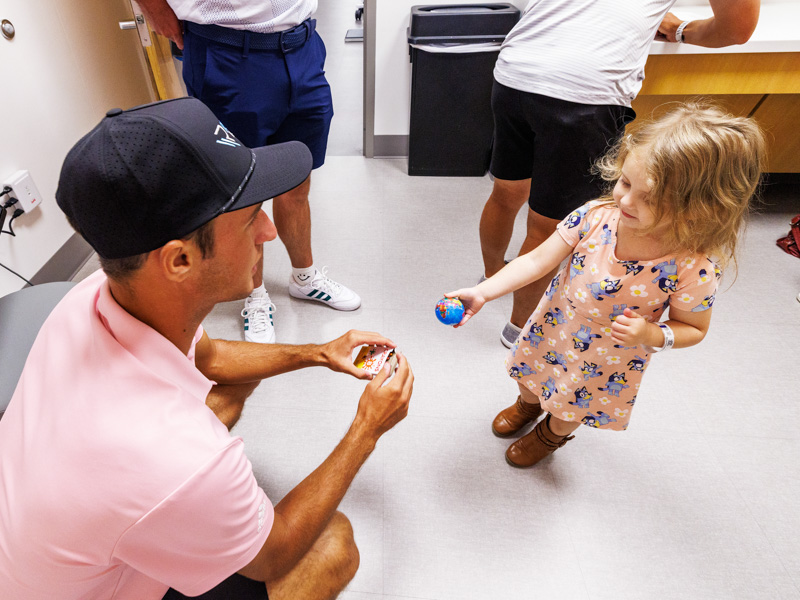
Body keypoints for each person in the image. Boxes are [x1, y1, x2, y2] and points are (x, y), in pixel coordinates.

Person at [0, 97, 414, 599]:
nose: (269, 232)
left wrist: (320, 352)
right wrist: (365, 429)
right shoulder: (177, 457)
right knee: (335, 544)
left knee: (231, 389)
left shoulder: (92, 295)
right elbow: (275, 554)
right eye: (250, 219)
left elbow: (212, 359)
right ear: (178, 261)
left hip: (47, 531)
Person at [450, 103, 765, 467]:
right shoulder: (595, 217)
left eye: (650, 199)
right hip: (554, 328)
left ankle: (551, 435)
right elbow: (536, 260)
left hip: (606, 357)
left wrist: (649, 334)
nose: (625, 200)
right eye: (626, 182)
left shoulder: (693, 266)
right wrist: (484, 291)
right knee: (529, 377)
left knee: (572, 405)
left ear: (698, 208)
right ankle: (527, 405)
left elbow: (694, 328)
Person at [480, 0, 761, 348]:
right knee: (547, 227)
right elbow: (737, 28)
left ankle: (492, 276)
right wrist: (679, 30)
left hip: (518, 68)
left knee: (507, 193)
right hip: (583, 89)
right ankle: (519, 330)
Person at [137, 0, 360, 345]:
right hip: (227, 53)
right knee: (241, 194)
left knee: (296, 181)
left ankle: (304, 278)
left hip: (302, 47)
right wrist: (157, 14)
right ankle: (254, 296)